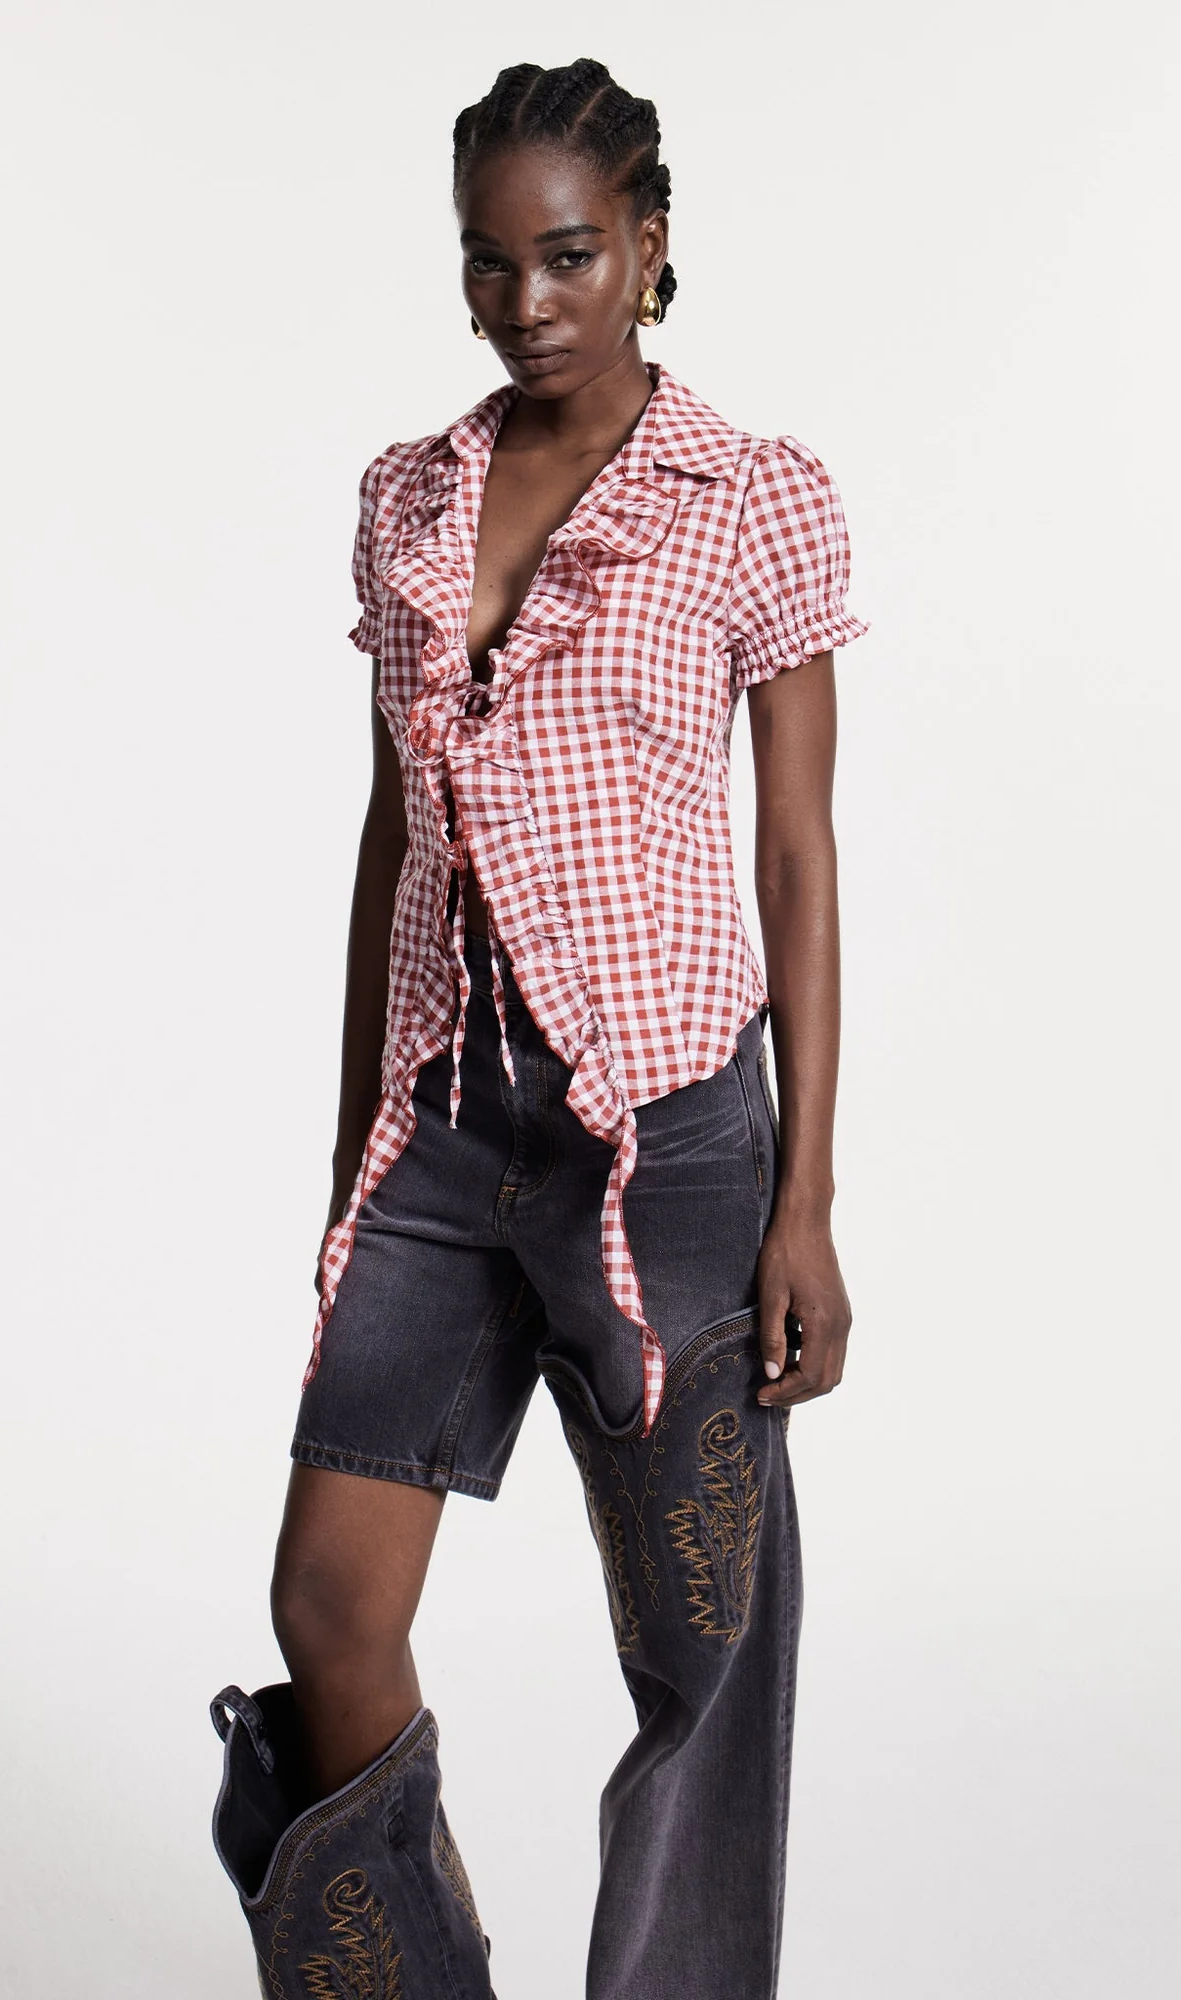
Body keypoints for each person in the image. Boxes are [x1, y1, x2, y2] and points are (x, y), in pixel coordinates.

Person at [209, 54, 868, 2000]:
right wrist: (356, 1151)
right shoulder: (407, 499)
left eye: (569, 254)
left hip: (671, 1144)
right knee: (328, 1603)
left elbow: (800, 856)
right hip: (442, 1128)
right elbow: (392, 835)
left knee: (704, 1661)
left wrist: (807, 1200)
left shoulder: (753, 499)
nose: (528, 301)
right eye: (489, 264)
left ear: (650, 243)